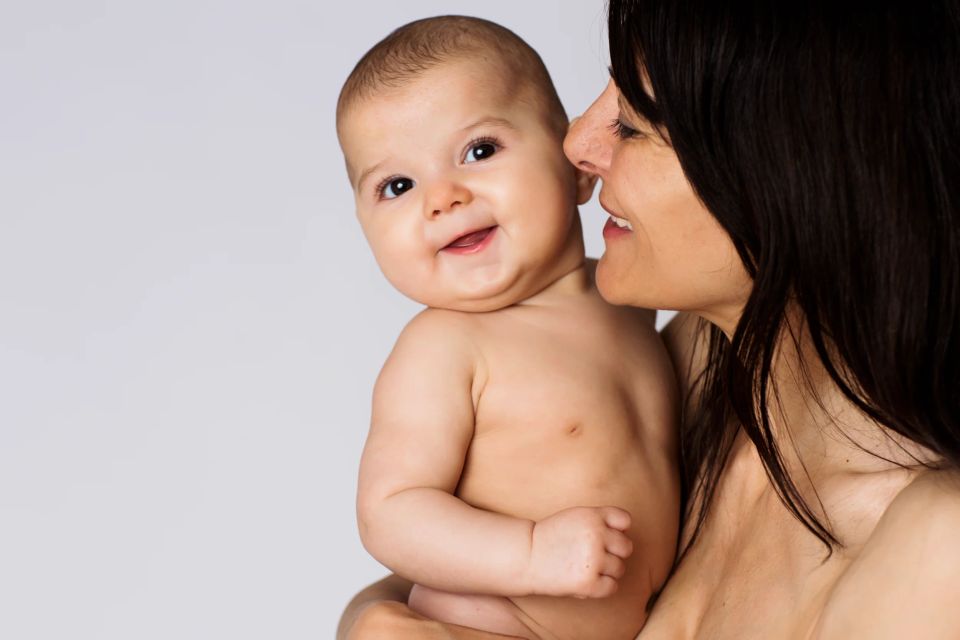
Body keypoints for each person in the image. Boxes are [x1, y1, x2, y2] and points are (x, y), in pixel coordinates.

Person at [337, 1, 960, 638]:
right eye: (396, 187)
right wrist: (378, 618)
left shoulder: (929, 544)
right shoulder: (698, 359)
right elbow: (401, 541)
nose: (578, 142)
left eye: (633, 119)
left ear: (783, 157)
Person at [335, 15, 680, 640]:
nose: (442, 199)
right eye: (398, 185)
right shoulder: (443, 347)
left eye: (479, 151)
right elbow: (390, 513)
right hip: (495, 626)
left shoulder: (627, 298)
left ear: (576, 163)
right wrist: (531, 553)